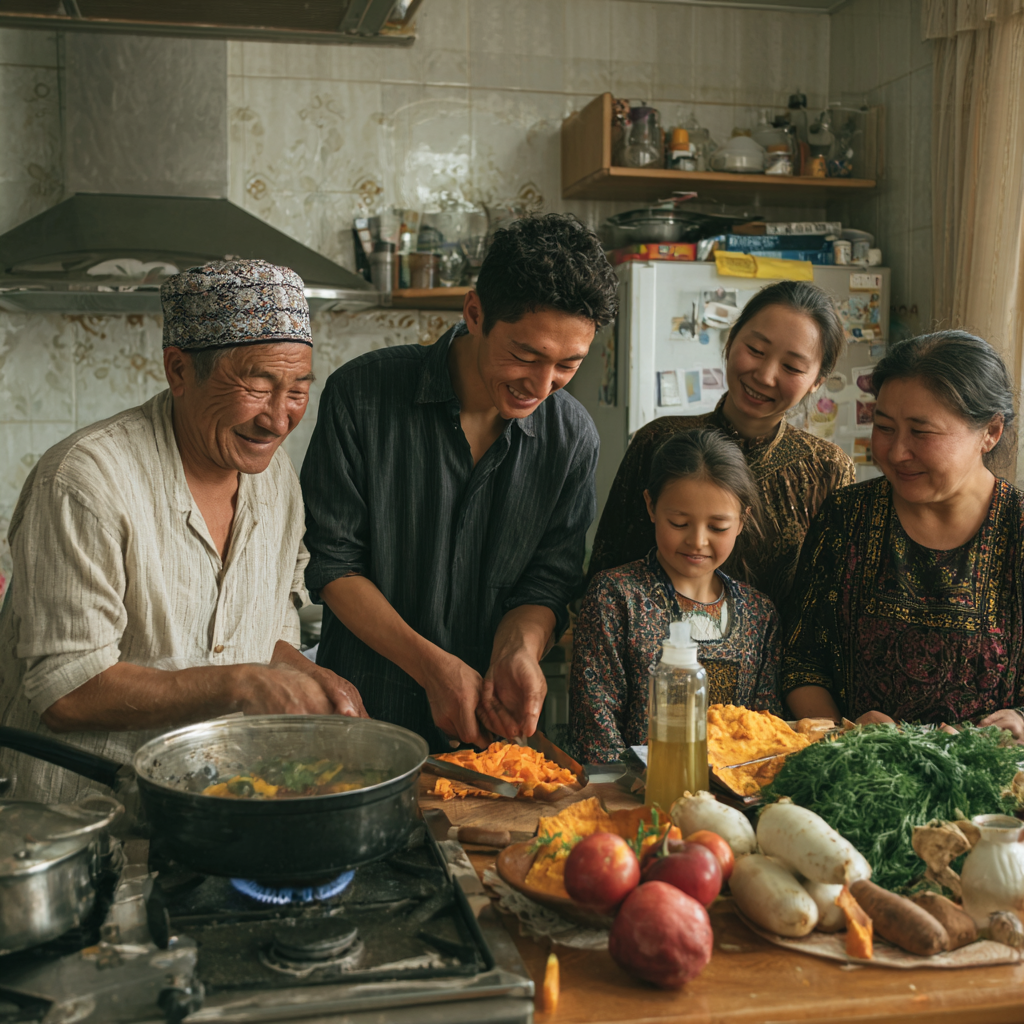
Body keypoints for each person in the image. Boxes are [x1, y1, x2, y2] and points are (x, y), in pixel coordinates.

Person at [0, 260, 367, 804]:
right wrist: (240, 684)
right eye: (257, 386)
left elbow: (263, 635)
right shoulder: (85, 480)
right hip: (81, 822)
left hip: (211, 806)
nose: (279, 419)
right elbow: (67, 691)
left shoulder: (277, 480)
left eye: (296, 390)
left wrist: (313, 678)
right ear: (178, 371)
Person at [300, 214, 619, 751]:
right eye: (525, 354)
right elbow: (333, 565)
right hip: (362, 725)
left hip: (490, 744)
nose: (542, 386)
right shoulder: (363, 394)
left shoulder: (572, 438)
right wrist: (432, 669)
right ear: (475, 313)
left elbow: (548, 582)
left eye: (568, 364)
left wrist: (517, 651)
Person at [782, 331, 1024, 742]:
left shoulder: (1017, 530)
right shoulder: (847, 516)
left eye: (921, 432)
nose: (896, 452)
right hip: (861, 776)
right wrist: (846, 734)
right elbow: (800, 659)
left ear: (991, 432)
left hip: (995, 790)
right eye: (884, 427)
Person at [588, 280, 854, 607]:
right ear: (731, 339)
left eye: (792, 367)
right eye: (755, 350)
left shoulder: (828, 470)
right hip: (659, 650)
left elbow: (831, 601)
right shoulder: (659, 440)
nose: (766, 375)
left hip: (777, 655)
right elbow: (608, 567)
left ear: (817, 381)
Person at [570, 429, 783, 763]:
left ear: (743, 521)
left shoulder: (759, 613)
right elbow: (596, 727)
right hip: (634, 798)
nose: (697, 541)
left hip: (730, 798)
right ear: (651, 506)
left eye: (718, 527)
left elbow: (767, 730)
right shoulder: (616, 596)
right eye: (679, 522)